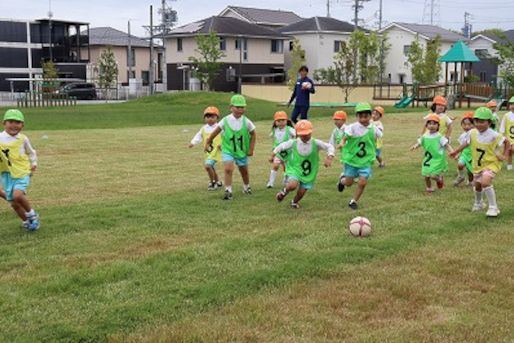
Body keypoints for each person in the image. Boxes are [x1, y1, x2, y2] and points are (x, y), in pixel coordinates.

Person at [450, 107, 509, 217]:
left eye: (482, 121)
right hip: (478, 165)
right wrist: (456, 152)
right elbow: (466, 143)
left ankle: (493, 207)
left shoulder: (493, 134)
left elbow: (506, 142)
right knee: (477, 185)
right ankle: (479, 203)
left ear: (489, 122)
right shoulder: (472, 133)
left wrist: (504, 155)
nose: (478, 124)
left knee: (485, 182)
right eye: (476, 121)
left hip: (491, 164)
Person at [205, 94, 256, 200]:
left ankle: (246, 186)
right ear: (231, 107)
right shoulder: (225, 120)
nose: (240, 110)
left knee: (244, 170)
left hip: (241, 151)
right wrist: (208, 142)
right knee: (228, 169)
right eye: (237, 107)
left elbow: (253, 134)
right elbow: (215, 132)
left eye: (242, 107)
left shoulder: (246, 122)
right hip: (228, 150)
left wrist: (251, 149)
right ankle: (228, 190)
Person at [273, 120, 334, 209]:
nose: (305, 136)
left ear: (311, 132)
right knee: (293, 185)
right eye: (302, 134)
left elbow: (329, 146)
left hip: (309, 173)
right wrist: (274, 153)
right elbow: (282, 146)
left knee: (301, 192)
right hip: (295, 169)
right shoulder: (294, 142)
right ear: (298, 134)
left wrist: (330, 157)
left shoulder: (316, 143)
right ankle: (283, 192)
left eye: (307, 134)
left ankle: (294, 202)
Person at [337, 102, 383, 210]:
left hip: (365, 161)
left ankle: (353, 201)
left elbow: (379, 136)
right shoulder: (352, 127)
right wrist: (342, 142)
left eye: (366, 116)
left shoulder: (374, 128)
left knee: (362, 182)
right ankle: (342, 180)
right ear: (357, 116)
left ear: (370, 115)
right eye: (360, 116)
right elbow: (345, 137)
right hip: (352, 160)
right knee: (349, 182)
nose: (363, 119)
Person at [0, 109, 40, 231]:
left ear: (22, 125)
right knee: (14, 204)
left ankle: (32, 214)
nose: (14, 125)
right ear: (4, 123)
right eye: (11, 122)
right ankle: (28, 222)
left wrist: (33, 163)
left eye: (18, 122)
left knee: (17, 196)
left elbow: (31, 152)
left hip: (22, 172)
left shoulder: (23, 139)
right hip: (7, 174)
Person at [411, 114, 453, 193]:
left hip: (437, 159)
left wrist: (453, 152)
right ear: (426, 125)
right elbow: (420, 142)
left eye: (434, 124)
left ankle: (439, 179)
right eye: (430, 123)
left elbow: (447, 145)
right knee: (426, 176)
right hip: (427, 159)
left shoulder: (440, 137)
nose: (432, 126)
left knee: (433, 176)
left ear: (438, 126)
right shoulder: (425, 136)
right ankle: (429, 188)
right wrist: (415, 146)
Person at [188, 106, 223, 191]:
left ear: (217, 118)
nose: (210, 119)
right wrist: (193, 142)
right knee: (211, 167)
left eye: (212, 117)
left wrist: (223, 145)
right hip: (209, 151)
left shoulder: (220, 127)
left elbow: (227, 137)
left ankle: (212, 182)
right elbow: (199, 136)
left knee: (208, 166)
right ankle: (218, 182)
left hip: (217, 151)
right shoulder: (204, 128)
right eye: (207, 117)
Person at [267, 111, 295, 188]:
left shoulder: (289, 129)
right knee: (275, 166)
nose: (281, 123)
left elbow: (297, 135)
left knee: (286, 168)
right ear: (275, 122)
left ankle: (286, 180)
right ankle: (271, 182)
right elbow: (272, 137)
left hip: (288, 152)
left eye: (283, 120)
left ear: (286, 121)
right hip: (278, 153)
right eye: (278, 121)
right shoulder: (275, 130)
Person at [453, 111, 475, 186]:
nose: (466, 127)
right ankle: (461, 176)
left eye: (469, 124)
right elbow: (461, 146)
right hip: (464, 154)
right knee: (460, 164)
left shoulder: (475, 134)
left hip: (472, 155)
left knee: (470, 172)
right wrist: (458, 154)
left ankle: (470, 181)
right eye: (464, 124)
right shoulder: (462, 136)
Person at [329, 111, 347, 176]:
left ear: (344, 120)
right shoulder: (335, 131)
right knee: (345, 162)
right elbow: (331, 143)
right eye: (335, 119)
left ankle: (347, 174)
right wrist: (330, 154)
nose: (336, 121)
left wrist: (343, 144)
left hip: (350, 151)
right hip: (343, 151)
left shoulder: (347, 129)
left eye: (338, 119)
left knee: (349, 162)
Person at [499, 96, 514, 171]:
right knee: (509, 152)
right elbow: (502, 126)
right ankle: (509, 166)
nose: (513, 106)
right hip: (509, 138)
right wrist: (501, 136)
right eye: (511, 104)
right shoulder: (506, 115)